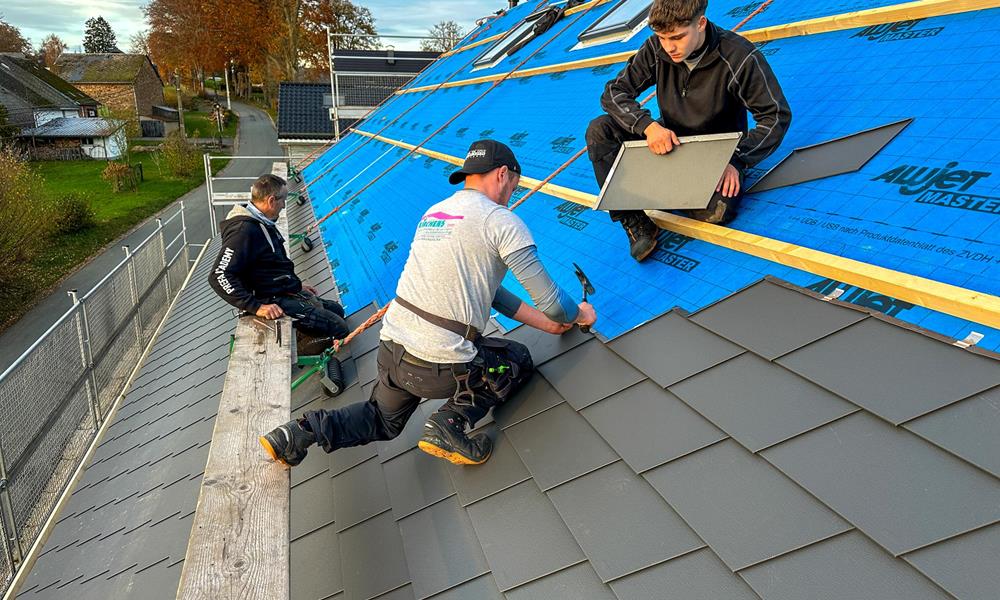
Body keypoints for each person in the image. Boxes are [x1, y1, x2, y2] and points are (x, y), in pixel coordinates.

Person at [260, 140, 597, 467]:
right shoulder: (500, 221)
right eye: (514, 184)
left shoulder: (436, 214)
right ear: (502, 174)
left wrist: (549, 325)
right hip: (437, 363)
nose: (512, 194)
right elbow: (552, 301)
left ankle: (300, 431)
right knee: (515, 361)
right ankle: (449, 424)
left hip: (393, 350)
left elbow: (491, 293)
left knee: (381, 419)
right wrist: (576, 314)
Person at [586, 0, 792, 261]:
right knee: (600, 130)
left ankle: (664, 188)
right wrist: (647, 127)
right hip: (668, 140)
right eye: (661, 37)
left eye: (677, 37)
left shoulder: (739, 56)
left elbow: (775, 116)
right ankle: (635, 220)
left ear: (701, 23)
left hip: (714, 154)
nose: (669, 47)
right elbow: (615, 92)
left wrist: (735, 158)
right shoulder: (656, 49)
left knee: (717, 212)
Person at [208, 174, 349, 352]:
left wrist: (295, 284)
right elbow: (218, 275)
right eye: (283, 200)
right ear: (271, 200)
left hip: (281, 291)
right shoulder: (243, 231)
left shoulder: (262, 222)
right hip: (270, 299)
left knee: (337, 310)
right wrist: (256, 307)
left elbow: (272, 264)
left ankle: (306, 331)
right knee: (339, 328)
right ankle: (299, 345)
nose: (284, 206)